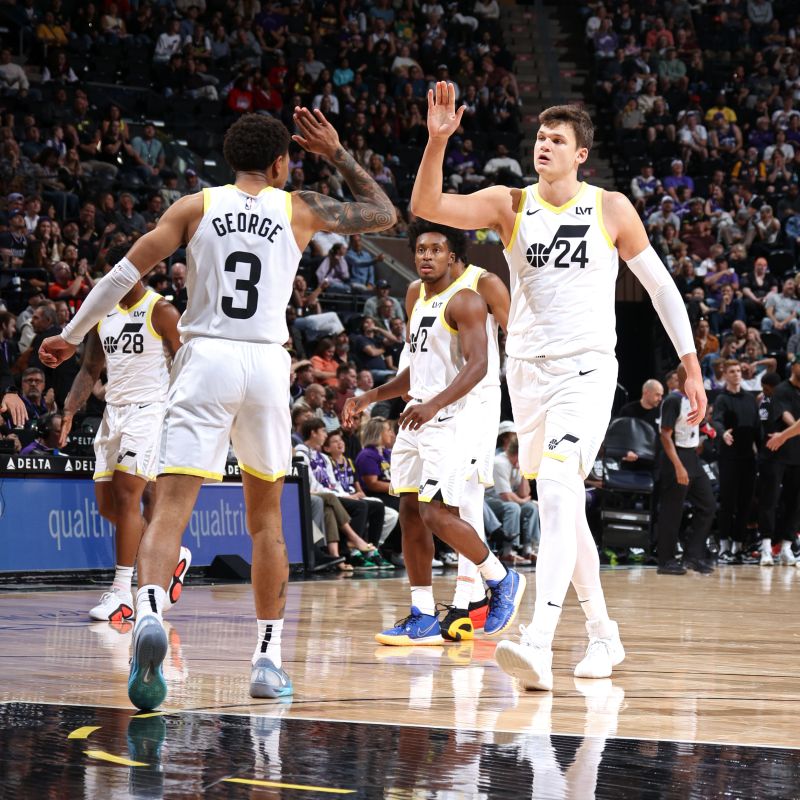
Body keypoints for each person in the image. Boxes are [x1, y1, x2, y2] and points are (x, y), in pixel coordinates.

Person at [39, 109, 397, 709]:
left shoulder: (195, 206)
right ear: (282, 162)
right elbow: (383, 213)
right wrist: (336, 153)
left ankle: (148, 614)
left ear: (233, 160)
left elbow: (121, 272)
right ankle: (266, 660)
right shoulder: (298, 208)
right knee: (266, 525)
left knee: (170, 511)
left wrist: (72, 335)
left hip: (204, 359)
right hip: (264, 365)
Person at [410, 85, 705, 691]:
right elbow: (428, 202)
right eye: (540, 138)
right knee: (562, 510)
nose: (544, 146)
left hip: (588, 369)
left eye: (557, 140)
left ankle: (538, 639)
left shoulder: (611, 208)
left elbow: (661, 288)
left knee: (563, 488)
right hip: (526, 371)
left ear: (581, 157)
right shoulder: (509, 204)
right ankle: (602, 632)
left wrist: (690, 362)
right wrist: (438, 139)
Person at [343, 221, 526, 646]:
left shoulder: (467, 300)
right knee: (409, 511)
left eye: (436, 250)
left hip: (450, 417)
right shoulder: (414, 296)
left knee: (436, 512)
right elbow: (417, 370)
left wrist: (435, 405)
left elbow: (479, 365)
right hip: (416, 413)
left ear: (453, 256)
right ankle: (422, 613)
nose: (426, 256)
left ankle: (500, 579)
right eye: (420, 249)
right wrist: (369, 396)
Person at [59, 244, 189, 623]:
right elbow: (89, 369)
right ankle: (172, 553)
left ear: (140, 268)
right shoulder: (102, 314)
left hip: (150, 411)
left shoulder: (161, 310)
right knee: (108, 505)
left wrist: (179, 412)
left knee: (128, 495)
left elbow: (187, 363)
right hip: (112, 414)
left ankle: (121, 593)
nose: (111, 276)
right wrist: (70, 408)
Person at [656, 365, 715, 576]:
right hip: (676, 457)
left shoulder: (695, 397)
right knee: (672, 511)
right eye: (693, 372)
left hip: (692, 457)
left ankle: (693, 555)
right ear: (685, 376)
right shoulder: (672, 400)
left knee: (708, 505)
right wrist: (678, 466)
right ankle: (666, 560)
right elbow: (665, 435)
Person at [712, 361, 760, 565]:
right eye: (732, 371)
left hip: (748, 458)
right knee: (728, 502)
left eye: (739, 371)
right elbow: (716, 420)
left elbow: (757, 427)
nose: (737, 374)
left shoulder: (750, 399)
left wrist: (764, 449)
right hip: (729, 457)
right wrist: (723, 434)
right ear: (725, 375)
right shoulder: (722, 398)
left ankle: (738, 546)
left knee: (745, 503)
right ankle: (724, 546)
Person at [758, 361, 800, 566]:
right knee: (770, 500)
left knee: (795, 502)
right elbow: (788, 417)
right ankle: (766, 547)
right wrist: (786, 434)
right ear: (794, 366)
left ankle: (786, 547)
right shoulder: (781, 390)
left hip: (797, 455)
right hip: (777, 454)